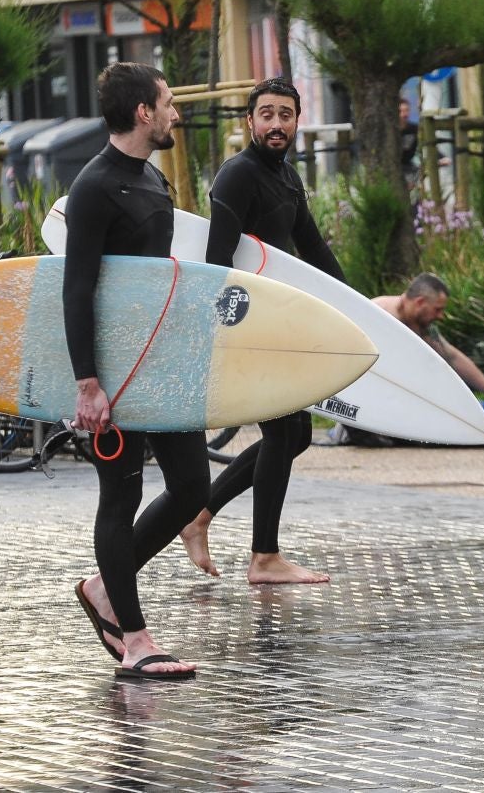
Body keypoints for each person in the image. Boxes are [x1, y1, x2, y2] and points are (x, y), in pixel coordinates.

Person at [64, 62, 208, 679]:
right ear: (143, 113)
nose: (176, 113)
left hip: (160, 361)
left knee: (194, 488)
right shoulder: (93, 187)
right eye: (168, 103)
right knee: (119, 496)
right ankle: (136, 639)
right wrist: (87, 382)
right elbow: (78, 289)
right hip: (117, 371)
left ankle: (103, 588)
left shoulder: (151, 177)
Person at [178, 77, 341, 585]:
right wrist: (227, 333)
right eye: (266, 114)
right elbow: (217, 262)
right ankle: (263, 557)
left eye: (285, 114)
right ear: (249, 122)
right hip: (247, 324)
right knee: (283, 431)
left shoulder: (286, 177)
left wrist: (353, 308)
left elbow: (312, 250)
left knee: (296, 435)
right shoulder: (238, 175)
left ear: (296, 121)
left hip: (276, 321)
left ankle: (201, 516)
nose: (276, 123)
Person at [373, 273, 484, 413]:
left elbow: (452, 357)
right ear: (420, 302)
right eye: (437, 309)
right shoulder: (378, 313)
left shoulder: (419, 325)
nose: (440, 316)